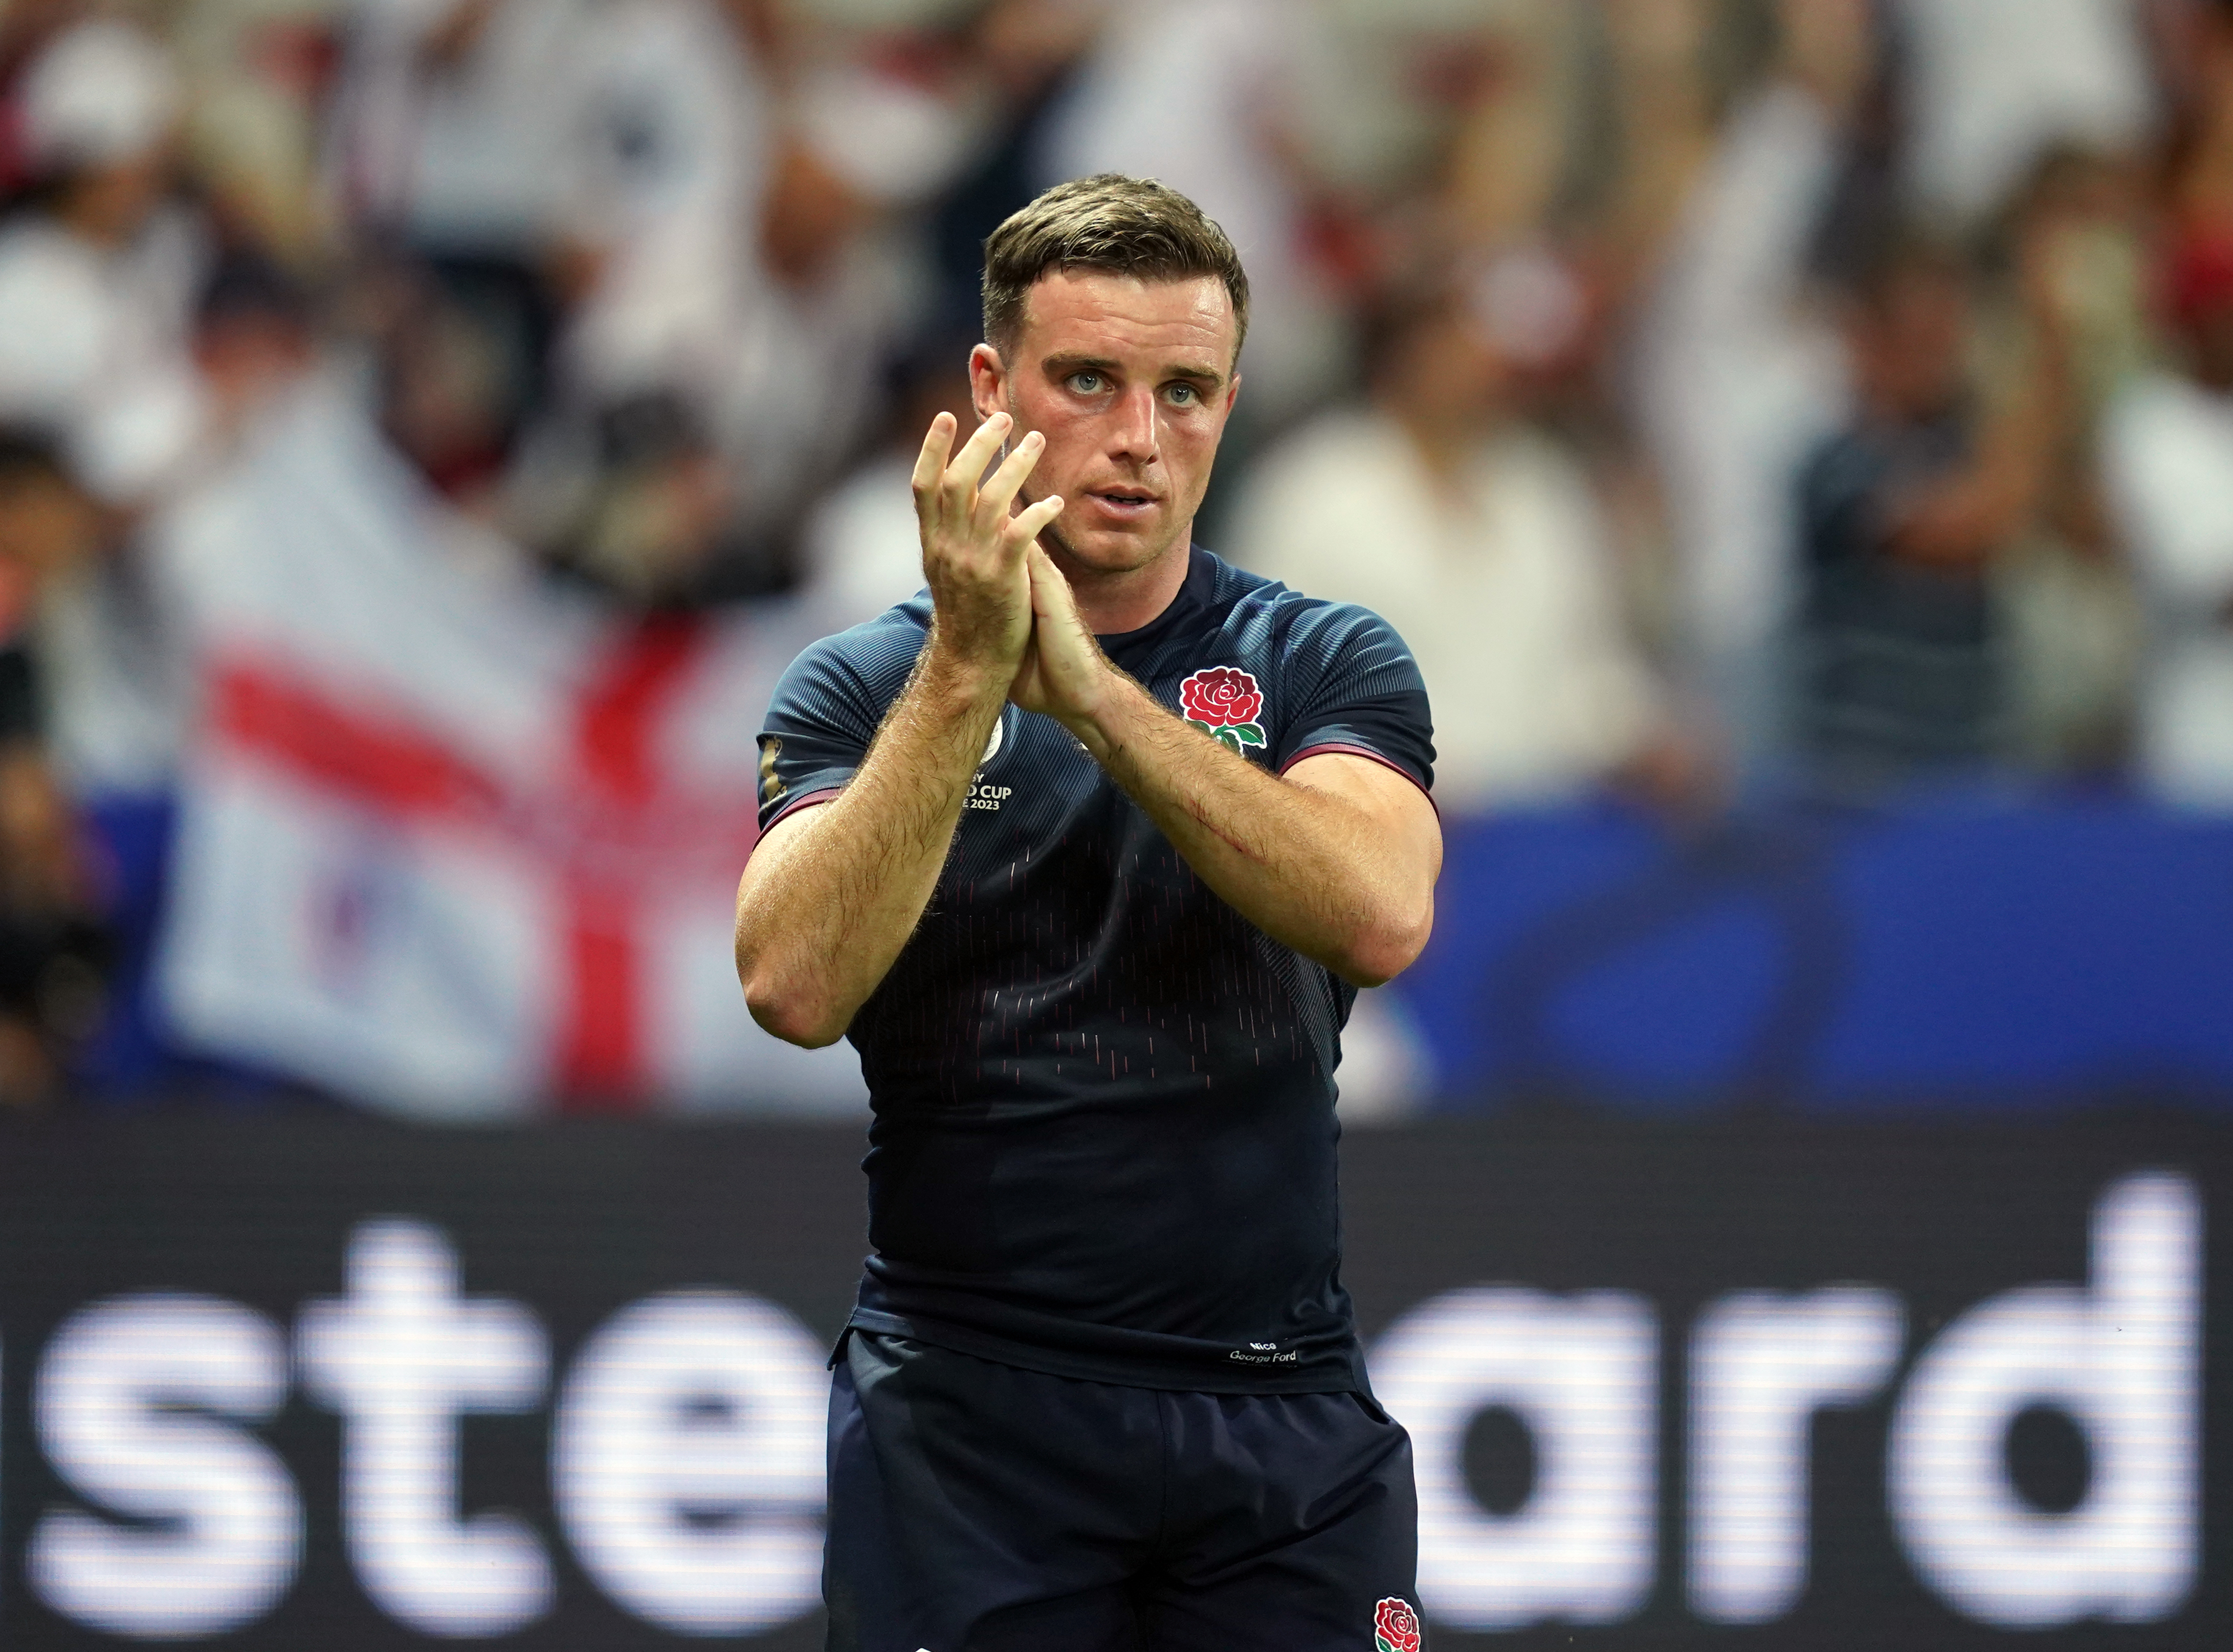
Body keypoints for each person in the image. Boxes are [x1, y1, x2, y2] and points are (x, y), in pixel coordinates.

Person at [733, 174, 1439, 1649]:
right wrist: (968, 672)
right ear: (992, 389)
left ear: (1232, 405)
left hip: (1278, 1422)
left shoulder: (1322, 661)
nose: (1137, 438)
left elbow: (1379, 914)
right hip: (967, 1423)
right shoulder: (866, 686)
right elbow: (793, 984)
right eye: (1089, 382)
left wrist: (1094, 703)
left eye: (1185, 392)